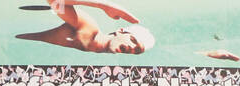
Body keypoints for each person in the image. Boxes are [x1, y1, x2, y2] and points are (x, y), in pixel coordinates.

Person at [17, 1, 155, 54]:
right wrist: (104, 5)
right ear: (120, 31)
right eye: (133, 40)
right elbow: (55, 1)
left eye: (137, 50)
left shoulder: (97, 54)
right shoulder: (90, 29)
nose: (132, 47)